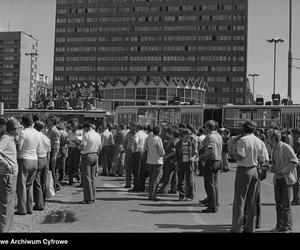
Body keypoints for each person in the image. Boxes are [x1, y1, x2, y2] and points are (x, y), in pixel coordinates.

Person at [230, 120, 267, 233]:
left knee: (239, 201)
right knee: (251, 201)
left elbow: (240, 156)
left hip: (243, 170)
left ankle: (236, 227)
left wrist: (233, 152)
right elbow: (263, 158)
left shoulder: (243, 140)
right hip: (255, 169)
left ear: (244, 129)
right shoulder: (259, 141)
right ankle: (249, 227)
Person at [269, 130, 298, 233]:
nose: (268, 140)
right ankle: (279, 226)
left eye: (270, 138)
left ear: (274, 138)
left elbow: (295, 161)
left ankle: (287, 228)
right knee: (278, 205)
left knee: (286, 205)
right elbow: (275, 163)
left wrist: (283, 171)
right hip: (277, 180)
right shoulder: (273, 149)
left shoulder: (286, 147)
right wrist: (272, 167)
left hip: (286, 180)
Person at [16, 114, 40, 215]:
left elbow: (19, 147)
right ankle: (29, 207)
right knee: (29, 186)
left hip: (24, 159)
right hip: (34, 159)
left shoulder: (23, 133)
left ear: (23, 122)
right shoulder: (37, 133)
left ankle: (22, 209)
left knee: (21, 185)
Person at [0, 118, 20, 232]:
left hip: (10, 176)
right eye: (19, 128)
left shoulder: (10, 138)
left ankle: (7, 228)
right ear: (13, 129)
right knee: (6, 206)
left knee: (10, 204)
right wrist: (7, 165)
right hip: (7, 176)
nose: (20, 130)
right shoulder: (6, 139)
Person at [198, 120, 222, 213]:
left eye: (205, 127)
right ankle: (215, 202)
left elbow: (210, 152)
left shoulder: (211, 137)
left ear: (208, 127)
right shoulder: (217, 135)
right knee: (215, 184)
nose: (204, 128)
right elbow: (204, 143)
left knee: (209, 185)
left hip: (211, 161)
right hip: (218, 161)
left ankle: (212, 206)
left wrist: (200, 157)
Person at [79, 121, 102, 204]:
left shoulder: (87, 134)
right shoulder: (98, 135)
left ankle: (88, 198)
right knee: (92, 178)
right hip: (95, 155)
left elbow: (82, 146)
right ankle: (93, 196)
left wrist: (79, 146)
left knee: (86, 177)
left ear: (86, 128)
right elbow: (100, 147)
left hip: (87, 156)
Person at [176, 128, 198, 201]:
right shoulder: (178, 144)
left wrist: (193, 158)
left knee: (190, 181)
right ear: (184, 135)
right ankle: (181, 196)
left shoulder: (192, 143)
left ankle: (190, 196)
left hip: (189, 163)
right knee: (180, 180)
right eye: (188, 134)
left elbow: (196, 154)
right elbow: (176, 155)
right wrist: (176, 163)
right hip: (181, 163)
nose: (190, 136)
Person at [33, 121, 51, 211]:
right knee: (43, 182)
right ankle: (43, 201)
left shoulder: (35, 137)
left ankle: (39, 204)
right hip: (45, 159)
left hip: (38, 158)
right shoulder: (46, 138)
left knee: (37, 182)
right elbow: (49, 151)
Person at [146, 126, 165, 201]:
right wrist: (163, 153)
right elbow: (161, 151)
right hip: (157, 161)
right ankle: (153, 195)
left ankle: (151, 194)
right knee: (156, 179)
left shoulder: (149, 138)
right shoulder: (158, 139)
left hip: (150, 160)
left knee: (151, 178)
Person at [158, 129, 180, 194]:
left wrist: (166, 157)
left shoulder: (174, 142)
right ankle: (174, 189)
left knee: (167, 175)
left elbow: (173, 152)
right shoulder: (179, 141)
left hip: (171, 160)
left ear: (173, 135)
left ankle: (163, 189)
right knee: (175, 176)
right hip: (176, 161)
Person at [130, 124, 148, 192]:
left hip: (138, 153)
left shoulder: (137, 134)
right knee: (142, 170)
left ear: (138, 127)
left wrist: (135, 150)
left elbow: (135, 142)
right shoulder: (145, 135)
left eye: (134, 127)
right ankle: (142, 186)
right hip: (144, 152)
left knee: (136, 171)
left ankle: (136, 187)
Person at [46, 116, 61, 192]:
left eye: (48, 120)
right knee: (50, 169)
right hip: (49, 151)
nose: (47, 122)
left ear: (52, 121)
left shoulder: (55, 131)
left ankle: (55, 186)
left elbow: (57, 144)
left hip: (53, 151)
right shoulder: (49, 130)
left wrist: (54, 155)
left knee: (52, 170)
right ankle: (55, 184)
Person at [66, 119, 81, 185]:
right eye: (73, 127)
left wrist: (74, 141)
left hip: (76, 150)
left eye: (75, 127)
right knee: (70, 165)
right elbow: (67, 141)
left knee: (76, 165)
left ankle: (78, 178)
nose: (73, 128)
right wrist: (67, 141)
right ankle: (70, 180)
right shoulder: (69, 132)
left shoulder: (80, 133)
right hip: (70, 149)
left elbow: (79, 143)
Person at [123, 124, 135, 188]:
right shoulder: (128, 134)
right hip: (129, 152)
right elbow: (125, 142)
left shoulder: (137, 134)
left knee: (135, 169)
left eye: (132, 127)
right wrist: (125, 149)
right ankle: (128, 183)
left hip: (135, 152)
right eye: (130, 127)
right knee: (128, 169)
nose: (130, 128)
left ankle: (136, 184)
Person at [291, 128, 300, 206]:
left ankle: (296, 199)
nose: (293, 135)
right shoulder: (295, 141)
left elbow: (295, 154)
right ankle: (296, 199)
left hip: (297, 163)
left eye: (294, 134)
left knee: (296, 182)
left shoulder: (297, 142)